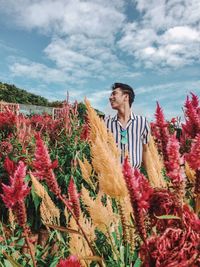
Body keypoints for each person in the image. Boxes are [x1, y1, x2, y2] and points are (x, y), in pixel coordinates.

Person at [105, 82, 150, 168]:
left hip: (134, 177)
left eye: (114, 94)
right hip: (113, 177)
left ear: (126, 97)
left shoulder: (142, 122)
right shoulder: (107, 123)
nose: (110, 98)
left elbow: (145, 150)